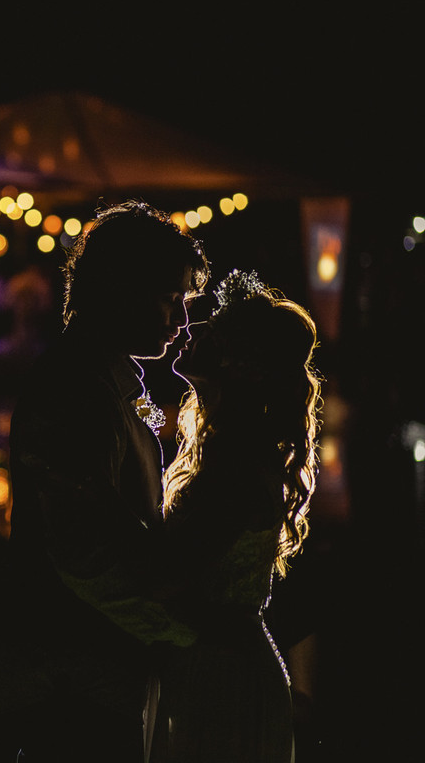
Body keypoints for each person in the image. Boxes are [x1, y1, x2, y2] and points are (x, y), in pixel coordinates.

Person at [0, 200, 211, 762]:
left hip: (89, 669)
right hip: (70, 676)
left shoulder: (107, 376)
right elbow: (82, 549)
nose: (181, 321)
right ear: (121, 289)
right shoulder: (75, 388)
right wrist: (176, 631)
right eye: (170, 298)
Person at [151, 269, 322, 762]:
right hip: (217, 667)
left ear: (236, 362)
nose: (190, 330)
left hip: (224, 679)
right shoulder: (229, 450)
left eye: (211, 331)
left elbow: (175, 575)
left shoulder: (239, 464)